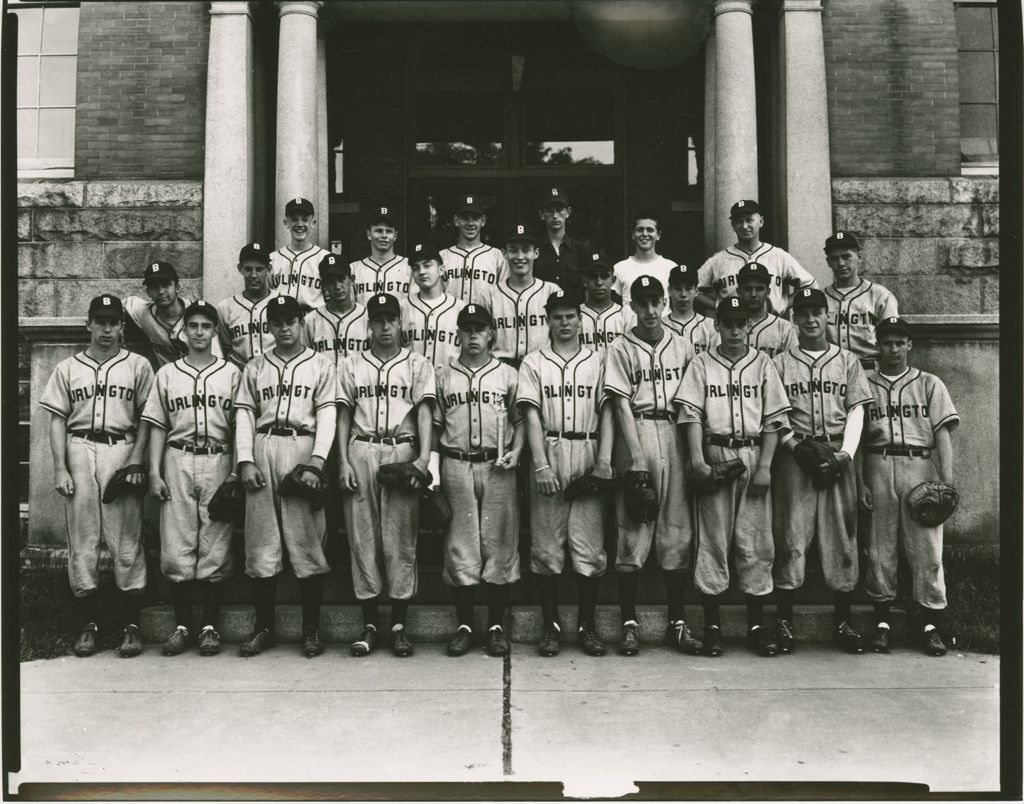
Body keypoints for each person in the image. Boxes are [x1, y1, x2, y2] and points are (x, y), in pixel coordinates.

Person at [675, 296, 791, 657]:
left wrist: (766, 466)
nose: (735, 329)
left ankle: (756, 627)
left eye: (741, 323)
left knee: (756, 542)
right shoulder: (701, 364)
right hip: (717, 453)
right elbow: (691, 415)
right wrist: (698, 463)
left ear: (749, 326)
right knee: (714, 540)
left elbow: (774, 420)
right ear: (717, 325)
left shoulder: (763, 364)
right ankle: (712, 627)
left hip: (753, 452)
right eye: (728, 323)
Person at [40, 294, 155, 658]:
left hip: (122, 447)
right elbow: (57, 420)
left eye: (114, 322)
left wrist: (137, 463)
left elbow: (149, 420)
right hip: (80, 448)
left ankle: (130, 624)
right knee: (83, 537)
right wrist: (60, 468)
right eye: (100, 321)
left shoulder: (137, 366)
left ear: (123, 327)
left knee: (127, 536)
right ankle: (87, 623)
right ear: (88, 324)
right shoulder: (68, 368)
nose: (107, 329)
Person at [233, 295, 337, 658]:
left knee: (307, 540)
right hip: (263, 447)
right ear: (269, 326)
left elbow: (327, 416)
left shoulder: (320, 365)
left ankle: (311, 628)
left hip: (301, 447)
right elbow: (245, 415)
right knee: (261, 542)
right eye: (277, 321)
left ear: (301, 323)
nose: (284, 327)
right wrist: (244, 460)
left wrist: (318, 462)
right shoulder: (255, 366)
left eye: (290, 320)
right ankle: (264, 628)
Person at [602, 276, 701, 657]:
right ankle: (629, 623)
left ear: (664, 303)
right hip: (639, 430)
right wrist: (636, 457)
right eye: (641, 303)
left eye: (654, 302)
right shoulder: (620, 347)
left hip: (675, 431)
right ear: (631, 306)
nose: (648, 310)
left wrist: (694, 454)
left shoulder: (683, 346)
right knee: (632, 529)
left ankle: (677, 622)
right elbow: (620, 404)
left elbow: (693, 404)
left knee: (677, 530)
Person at [771, 288, 873, 655]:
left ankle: (843, 623)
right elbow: (775, 415)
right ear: (794, 319)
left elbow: (858, 411)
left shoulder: (847, 360)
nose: (811, 319)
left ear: (828, 316)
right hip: (795, 453)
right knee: (790, 536)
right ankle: (784, 623)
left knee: (841, 538)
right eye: (804, 313)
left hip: (835, 450)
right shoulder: (781, 362)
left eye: (817, 312)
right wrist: (792, 447)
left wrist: (845, 455)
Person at [335, 293, 437, 657]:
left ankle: (397, 625)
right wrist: (342, 461)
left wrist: (424, 459)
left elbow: (425, 413)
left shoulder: (417, 363)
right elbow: (343, 414)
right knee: (363, 538)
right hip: (361, 448)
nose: (384, 326)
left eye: (390, 319)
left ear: (399, 322)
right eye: (378, 320)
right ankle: (368, 624)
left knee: (400, 539)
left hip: (401, 450)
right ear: (369, 324)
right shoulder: (350, 364)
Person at [518, 290, 616, 658]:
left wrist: (604, 460)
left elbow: (608, 411)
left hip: (588, 448)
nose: (564, 322)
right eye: (557, 316)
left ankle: (587, 626)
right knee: (546, 546)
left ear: (581, 319)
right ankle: (551, 626)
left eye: (570, 315)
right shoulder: (533, 362)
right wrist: (540, 464)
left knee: (590, 546)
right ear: (548, 320)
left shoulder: (600, 360)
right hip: (551, 447)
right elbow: (530, 415)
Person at [143, 300, 242, 657]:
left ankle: (211, 626)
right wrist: (154, 472)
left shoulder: (231, 374)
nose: (199, 332)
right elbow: (156, 426)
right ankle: (183, 624)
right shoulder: (168, 374)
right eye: (193, 326)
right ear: (183, 331)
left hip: (217, 457)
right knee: (178, 541)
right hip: (179, 457)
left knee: (216, 541)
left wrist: (234, 472)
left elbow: (239, 427)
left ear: (215, 331)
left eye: (206, 326)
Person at [858, 316, 959, 656]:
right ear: (878, 345)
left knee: (927, 548)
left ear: (909, 345)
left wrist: (946, 480)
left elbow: (942, 435)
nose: (894, 348)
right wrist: (861, 482)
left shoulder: (929, 383)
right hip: (877, 463)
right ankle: (883, 622)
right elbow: (855, 440)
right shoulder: (864, 384)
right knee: (879, 546)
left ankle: (929, 623)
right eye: (887, 342)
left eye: (900, 342)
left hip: (918, 466)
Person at [435, 303, 524, 657]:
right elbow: (435, 425)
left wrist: (517, 453)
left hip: (497, 465)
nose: (473, 335)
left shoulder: (507, 374)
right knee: (460, 546)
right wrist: (431, 471)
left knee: (500, 545)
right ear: (458, 334)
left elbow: (521, 421)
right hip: (456, 463)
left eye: (480, 329)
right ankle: (465, 625)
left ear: (491, 334)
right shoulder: (443, 375)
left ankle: (497, 626)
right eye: (467, 329)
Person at [695, 200, 816, 317]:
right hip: (733, 325)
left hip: (770, 323)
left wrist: (783, 304)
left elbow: (810, 285)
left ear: (761, 222)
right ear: (733, 226)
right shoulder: (719, 259)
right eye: (738, 221)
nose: (744, 226)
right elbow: (693, 289)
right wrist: (719, 306)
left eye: (749, 220)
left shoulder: (779, 256)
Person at [822, 231, 899, 371]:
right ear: (828, 262)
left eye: (846, 257)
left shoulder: (880, 295)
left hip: (869, 371)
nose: (840, 263)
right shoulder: (821, 299)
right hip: (832, 372)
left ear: (859, 257)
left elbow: (892, 341)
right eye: (834, 258)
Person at [490, 224, 560, 369]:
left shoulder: (551, 291)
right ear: (504, 254)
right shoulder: (490, 294)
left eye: (526, 250)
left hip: (542, 368)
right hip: (500, 369)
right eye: (513, 250)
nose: (520, 256)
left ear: (536, 253)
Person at [124, 261, 219, 366]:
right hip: (167, 379)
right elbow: (119, 304)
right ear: (148, 292)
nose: (160, 291)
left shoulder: (198, 316)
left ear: (177, 287)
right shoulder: (142, 312)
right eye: (154, 286)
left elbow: (217, 358)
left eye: (166, 285)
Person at [403, 239, 466, 371]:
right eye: (416, 268)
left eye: (427, 265)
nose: (421, 272)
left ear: (441, 270)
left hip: (450, 384)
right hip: (411, 383)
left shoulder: (461, 309)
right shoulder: (402, 307)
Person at [217, 242, 277, 367]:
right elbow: (226, 348)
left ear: (268, 269)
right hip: (240, 375)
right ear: (240, 269)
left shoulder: (282, 302)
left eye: (259, 269)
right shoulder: (226, 307)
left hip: (274, 375)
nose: (254, 275)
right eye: (248, 269)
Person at [440, 195, 507, 305]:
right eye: (465, 218)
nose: (470, 223)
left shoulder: (497, 256)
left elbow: (504, 297)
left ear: (483, 221)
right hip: (450, 320)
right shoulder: (442, 256)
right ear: (456, 221)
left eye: (475, 218)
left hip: (486, 320)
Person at [269, 197, 331, 312]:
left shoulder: (325, 258)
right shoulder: (272, 259)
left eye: (305, 219)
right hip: (282, 321)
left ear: (313, 223)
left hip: (314, 321)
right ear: (286, 223)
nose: (299, 224)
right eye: (294, 219)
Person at [303, 253, 369, 359]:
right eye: (331, 281)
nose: (337, 286)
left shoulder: (368, 317)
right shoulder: (310, 321)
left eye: (341, 279)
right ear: (324, 285)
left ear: (351, 280)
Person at [733, 262, 799, 358]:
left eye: (759, 289)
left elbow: (792, 366)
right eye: (748, 289)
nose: (753, 294)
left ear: (768, 292)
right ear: (739, 292)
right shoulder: (729, 327)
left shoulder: (784, 328)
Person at [612, 210, 677, 308]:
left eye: (650, 230)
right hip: (629, 323)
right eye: (640, 229)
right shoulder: (619, 268)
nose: (644, 234)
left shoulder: (671, 268)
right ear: (633, 234)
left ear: (658, 235)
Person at [350, 205, 412, 304]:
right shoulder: (354, 269)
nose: (384, 235)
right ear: (369, 234)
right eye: (379, 231)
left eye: (389, 231)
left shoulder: (409, 267)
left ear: (395, 236)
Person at [533, 186, 587, 296]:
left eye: (559, 210)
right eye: (549, 211)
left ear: (568, 212)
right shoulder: (534, 249)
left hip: (573, 311)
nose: (555, 216)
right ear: (542, 214)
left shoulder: (581, 250)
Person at [577, 251, 629, 356]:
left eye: (604, 276)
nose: (599, 282)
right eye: (593, 276)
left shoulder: (626, 315)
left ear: (613, 280)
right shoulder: (575, 315)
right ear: (584, 281)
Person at [661, 263, 716, 356]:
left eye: (688, 288)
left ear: (696, 291)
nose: (683, 294)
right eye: (678, 289)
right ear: (669, 290)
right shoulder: (660, 327)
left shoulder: (710, 326)